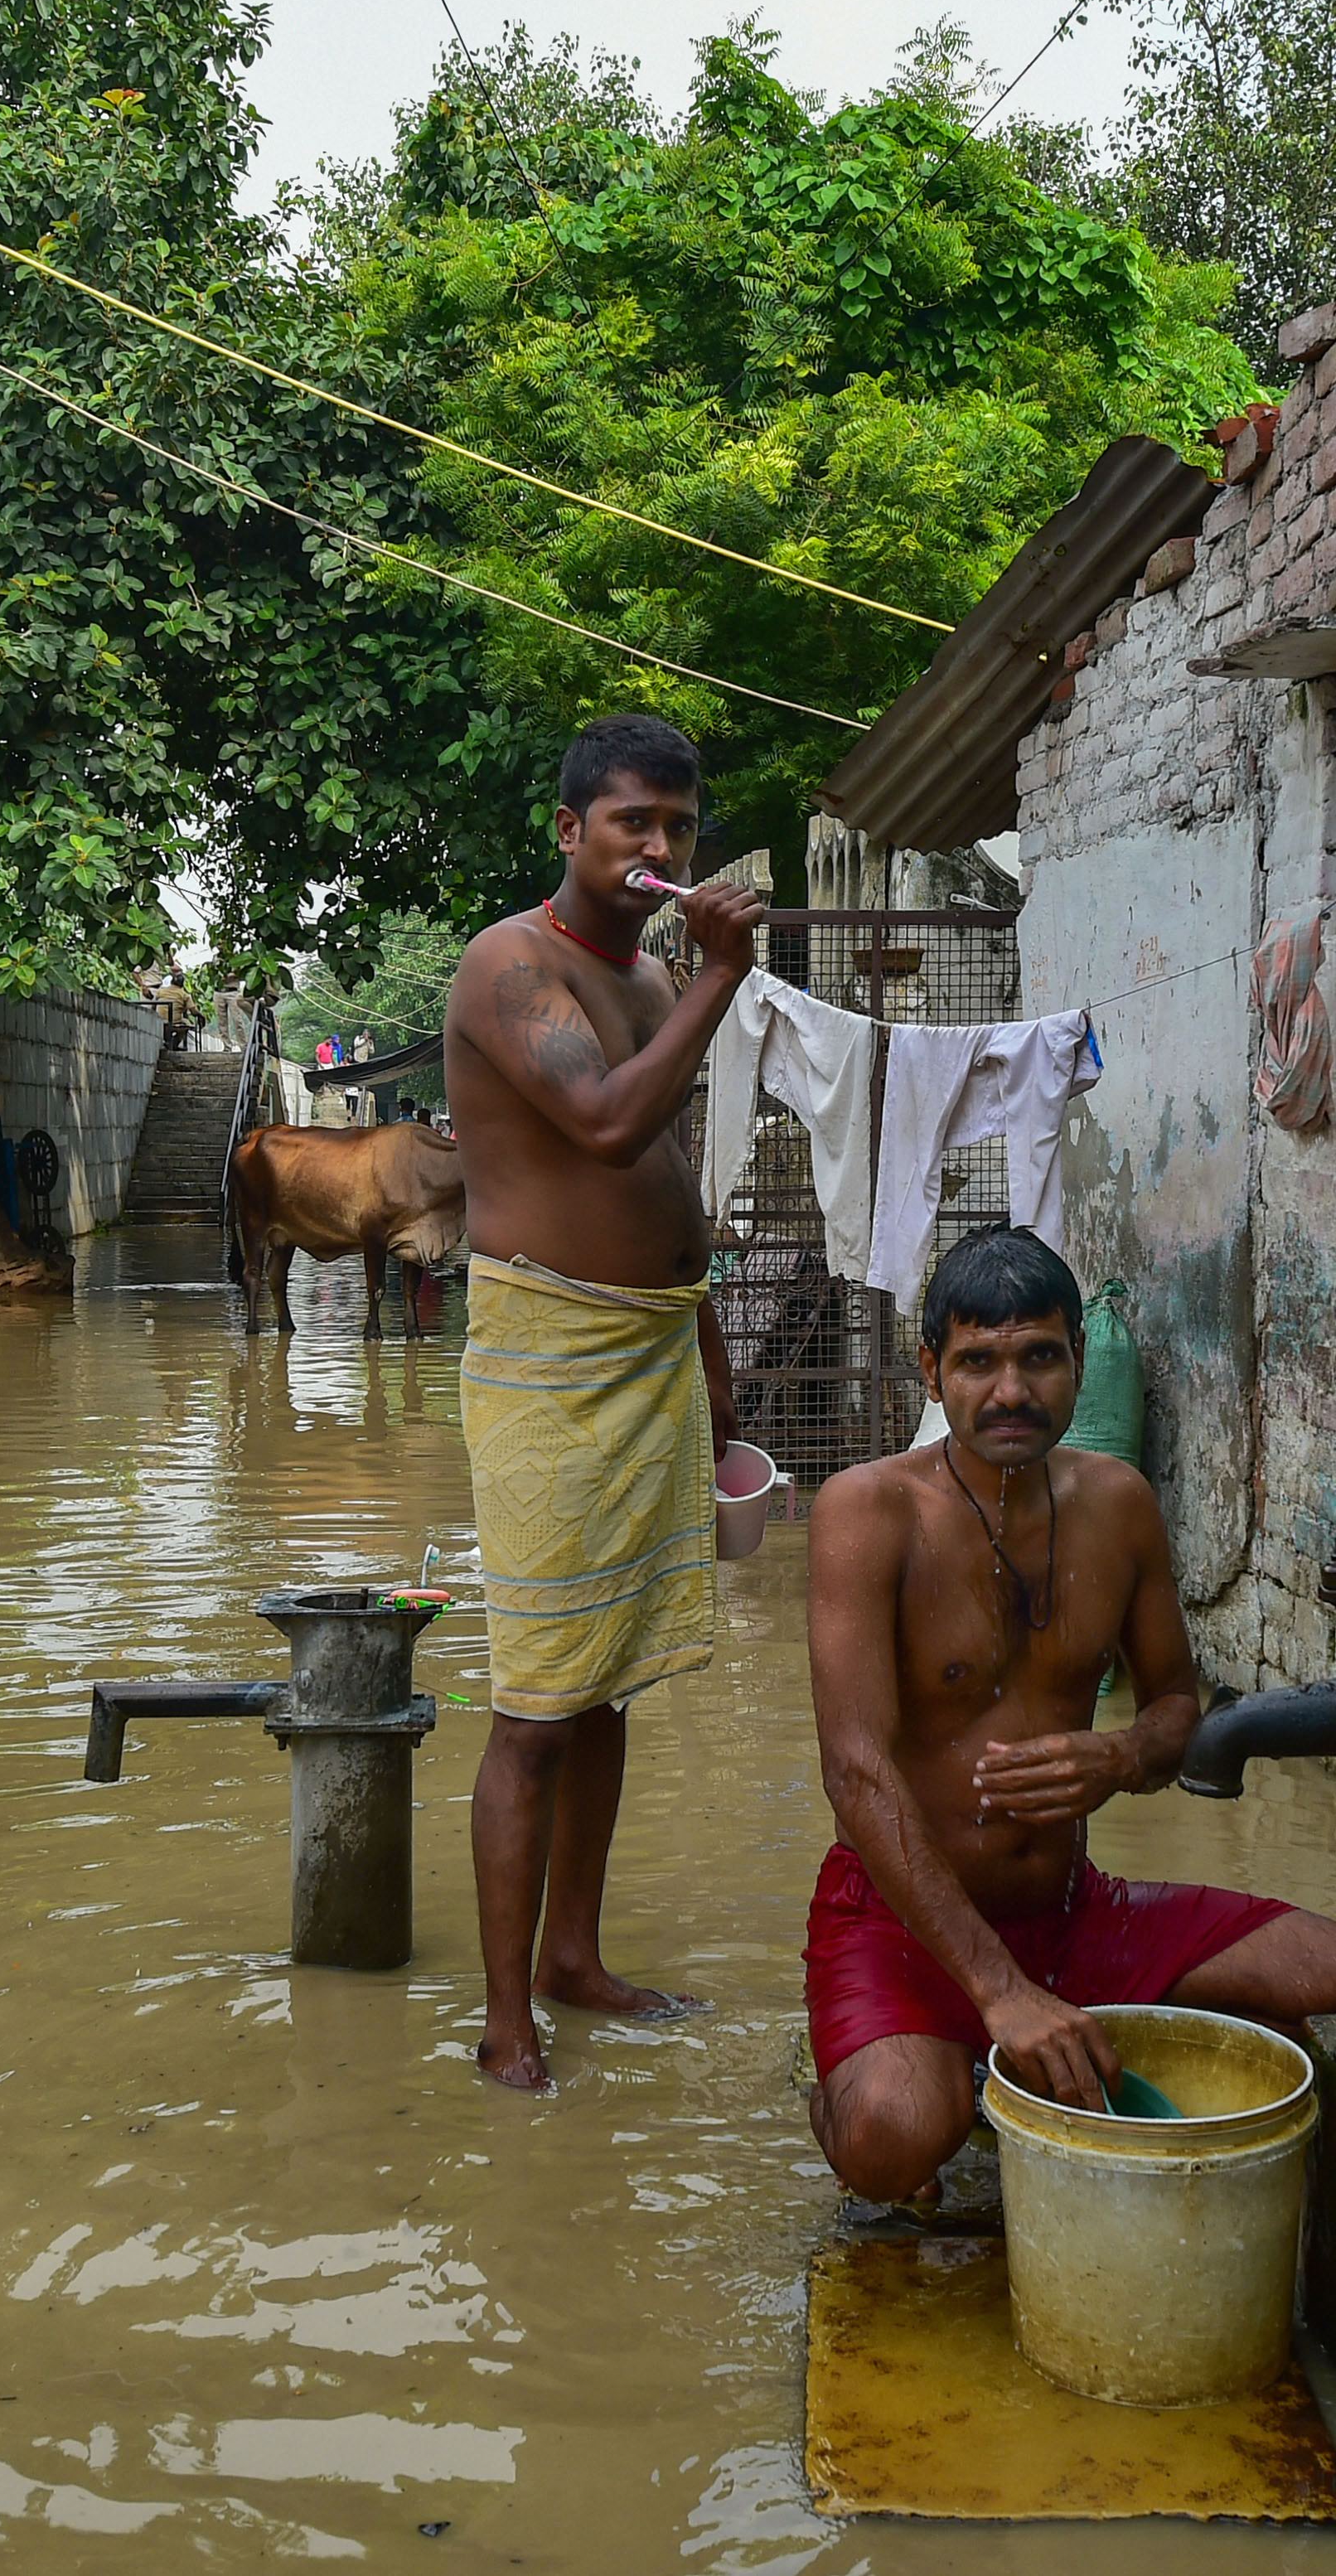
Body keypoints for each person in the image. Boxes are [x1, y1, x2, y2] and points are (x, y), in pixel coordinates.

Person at [801, 1225, 1336, 2200]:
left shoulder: (1120, 1504)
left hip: (1076, 1914)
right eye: (978, 1362)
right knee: (892, 2142)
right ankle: (864, 2075)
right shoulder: (868, 1513)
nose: (1012, 1392)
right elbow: (856, 1771)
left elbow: (1178, 1707)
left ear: (1076, 1360)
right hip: (901, 1924)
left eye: (1039, 1358)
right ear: (932, 1373)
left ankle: (1022, 2047)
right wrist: (998, 1991)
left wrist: (1121, 1757)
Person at [442, 713, 769, 2094]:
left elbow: (660, 1178)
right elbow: (607, 1127)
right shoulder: (513, 967)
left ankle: (576, 1956)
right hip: (548, 1363)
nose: (658, 848)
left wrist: (708, 1355)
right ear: (569, 831)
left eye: (678, 828)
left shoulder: (642, 978)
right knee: (536, 1705)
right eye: (632, 822)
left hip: (650, 1356)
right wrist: (725, 974)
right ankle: (507, 2018)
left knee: (611, 1685)